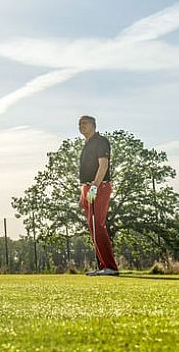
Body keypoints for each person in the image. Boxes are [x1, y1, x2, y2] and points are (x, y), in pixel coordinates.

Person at [78, 115, 119, 276]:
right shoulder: (86, 144)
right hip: (87, 187)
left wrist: (94, 186)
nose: (81, 126)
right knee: (92, 227)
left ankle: (110, 266)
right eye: (79, 124)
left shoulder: (100, 141)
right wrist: (84, 193)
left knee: (98, 225)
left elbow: (103, 165)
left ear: (93, 125)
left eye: (84, 123)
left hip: (99, 186)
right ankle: (103, 266)